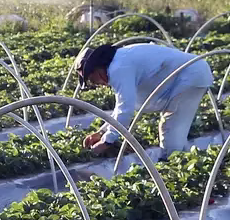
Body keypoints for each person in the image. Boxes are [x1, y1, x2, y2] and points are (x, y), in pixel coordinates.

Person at [75, 42, 214, 160]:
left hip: (191, 75)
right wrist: (101, 133)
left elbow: (126, 109)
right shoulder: (120, 60)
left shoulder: (118, 68)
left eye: (93, 79)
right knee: (176, 131)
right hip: (192, 72)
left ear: (98, 70)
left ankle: (174, 170)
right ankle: (185, 162)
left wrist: (106, 142)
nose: (97, 84)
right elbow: (121, 109)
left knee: (171, 129)